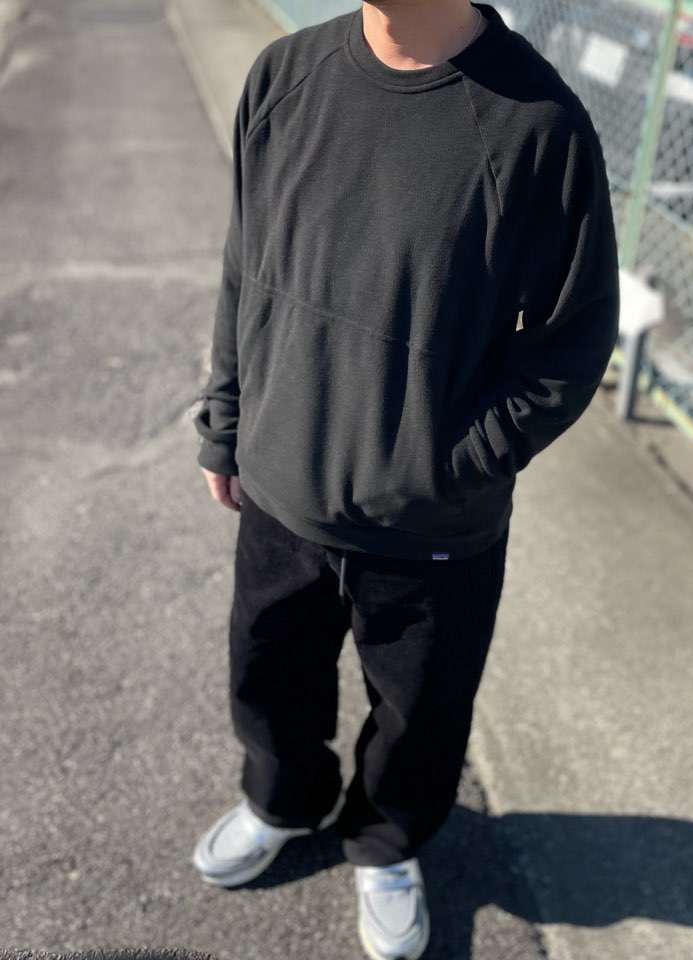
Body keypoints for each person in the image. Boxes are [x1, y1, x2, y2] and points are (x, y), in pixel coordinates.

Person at [191, 0, 619, 957]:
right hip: (280, 491)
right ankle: (283, 801)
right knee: (267, 680)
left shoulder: (538, 124)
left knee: (420, 717)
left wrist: (451, 463)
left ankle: (385, 843)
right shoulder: (285, 76)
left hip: (433, 529)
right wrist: (226, 421)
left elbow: (571, 342)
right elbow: (244, 266)